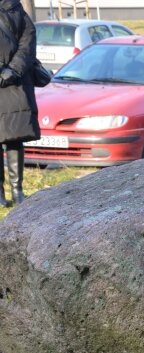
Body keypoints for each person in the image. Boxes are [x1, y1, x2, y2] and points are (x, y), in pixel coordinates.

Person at [0, 0, 39, 207]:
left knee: (14, 137)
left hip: (15, 84)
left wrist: (14, 70)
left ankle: (17, 190)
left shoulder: (15, 8)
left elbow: (28, 41)